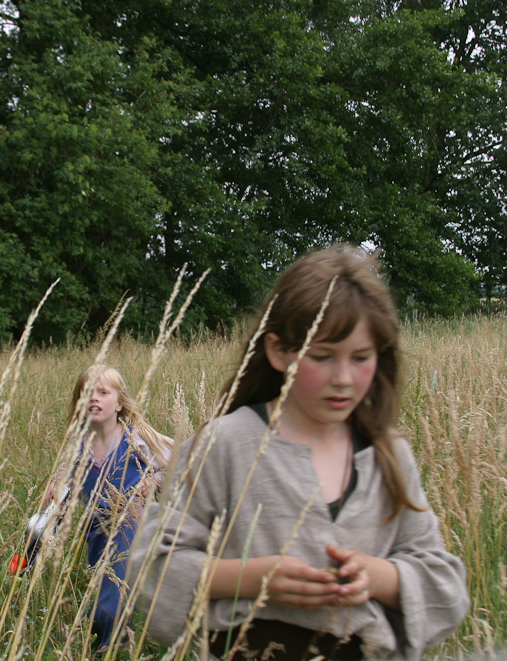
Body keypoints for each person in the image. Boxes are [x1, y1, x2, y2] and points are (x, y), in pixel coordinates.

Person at [128, 245, 469, 660]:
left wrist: (381, 577)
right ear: (278, 351)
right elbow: (153, 570)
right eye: (321, 356)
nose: (343, 378)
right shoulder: (224, 444)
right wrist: (253, 579)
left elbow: (444, 584)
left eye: (361, 357)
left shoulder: (389, 454)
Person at [47, 364, 173, 651]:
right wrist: (56, 486)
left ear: (119, 403)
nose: (94, 397)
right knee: (109, 585)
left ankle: (110, 641)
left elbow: (178, 459)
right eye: (87, 393)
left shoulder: (135, 437)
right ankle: (111, 636)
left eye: (103, 392)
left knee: (115, 593)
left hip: (133, 527)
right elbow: (67, 478)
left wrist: (152, 481)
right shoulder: (79, 444)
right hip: (96, 531)